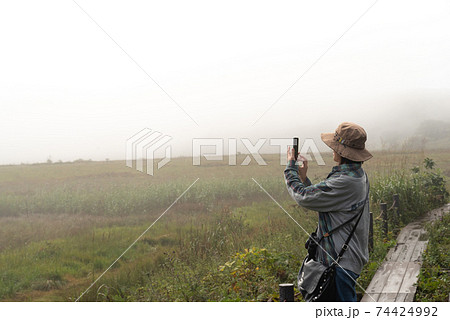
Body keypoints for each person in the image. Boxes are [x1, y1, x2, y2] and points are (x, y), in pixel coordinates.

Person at [284, 122, 372, 302]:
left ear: (341, 151)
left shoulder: (346, 181)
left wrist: (290, 168)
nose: (332, 150)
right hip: (345, 261)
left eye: (334, 147)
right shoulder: (356, 175)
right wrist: (304, 178)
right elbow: (326, 200)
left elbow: (303, 196)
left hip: (340, 264)